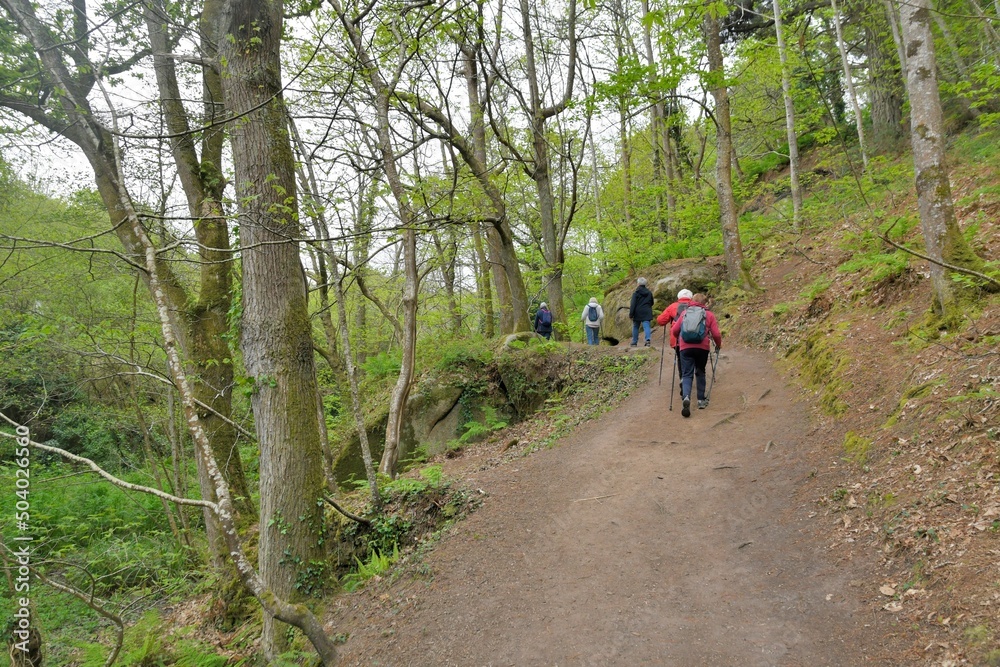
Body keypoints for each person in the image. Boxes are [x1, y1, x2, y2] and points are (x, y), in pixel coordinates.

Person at [670, 293, 722, 418]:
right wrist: (718, 345)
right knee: (700, 371)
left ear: (692, 301)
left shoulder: (684, 313)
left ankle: (686, 397)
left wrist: (680, 340)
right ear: (705, 303)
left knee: (687, 374)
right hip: (702, 347)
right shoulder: (708, 314)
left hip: (685, 347)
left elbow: (675, 330)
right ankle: (700, 400)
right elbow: (716, 334)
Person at [656, 288, 694, 392]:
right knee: (692, 358)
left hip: (678, 339)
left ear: (679, 297)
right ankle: (689, 379)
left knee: (681, 358)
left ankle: (683, 378)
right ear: (691, 297)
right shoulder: (696, 306)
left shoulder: (673, 306)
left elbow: (661, 320)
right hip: (695, 338)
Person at [628, 277, 654, 347]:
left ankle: (634, 342)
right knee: (646, 326)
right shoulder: (649, 293)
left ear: (638, 284)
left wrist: (631, 314)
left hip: (637, 312)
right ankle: (648, 340)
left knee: (636, 326)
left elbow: (633, 304)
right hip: (647, 311)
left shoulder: (636, 293)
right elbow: (652, 302)